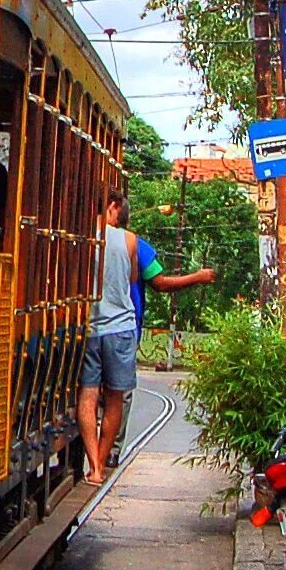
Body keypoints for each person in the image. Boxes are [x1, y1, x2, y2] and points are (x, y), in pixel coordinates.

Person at [79, 193, 217, 484]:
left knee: (88, 395)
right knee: (118, 397)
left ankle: (92, 461)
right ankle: (103, 462)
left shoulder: (80, 236)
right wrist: (199, 277)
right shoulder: (133, 243)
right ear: (114, 209)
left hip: (90, 327)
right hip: (122, 328)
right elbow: (157, 282)